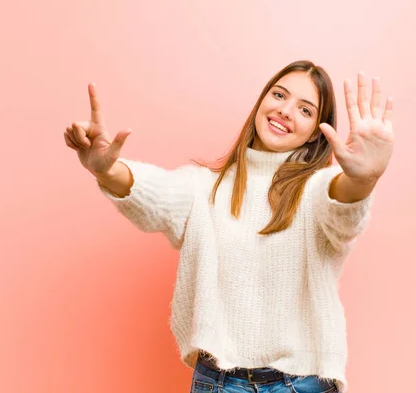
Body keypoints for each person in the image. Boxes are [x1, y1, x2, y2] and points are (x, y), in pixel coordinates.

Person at [63, 60, 394, 393]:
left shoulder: (319, 189)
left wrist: (363, 179)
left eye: (306, 110)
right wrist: (107, 171)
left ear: (315, 133)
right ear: (261, 101)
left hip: (303, 383)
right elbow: (157, 194)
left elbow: (343, 208)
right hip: (219, 382)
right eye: (279, 94)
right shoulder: (205, 187)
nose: (285, 110)